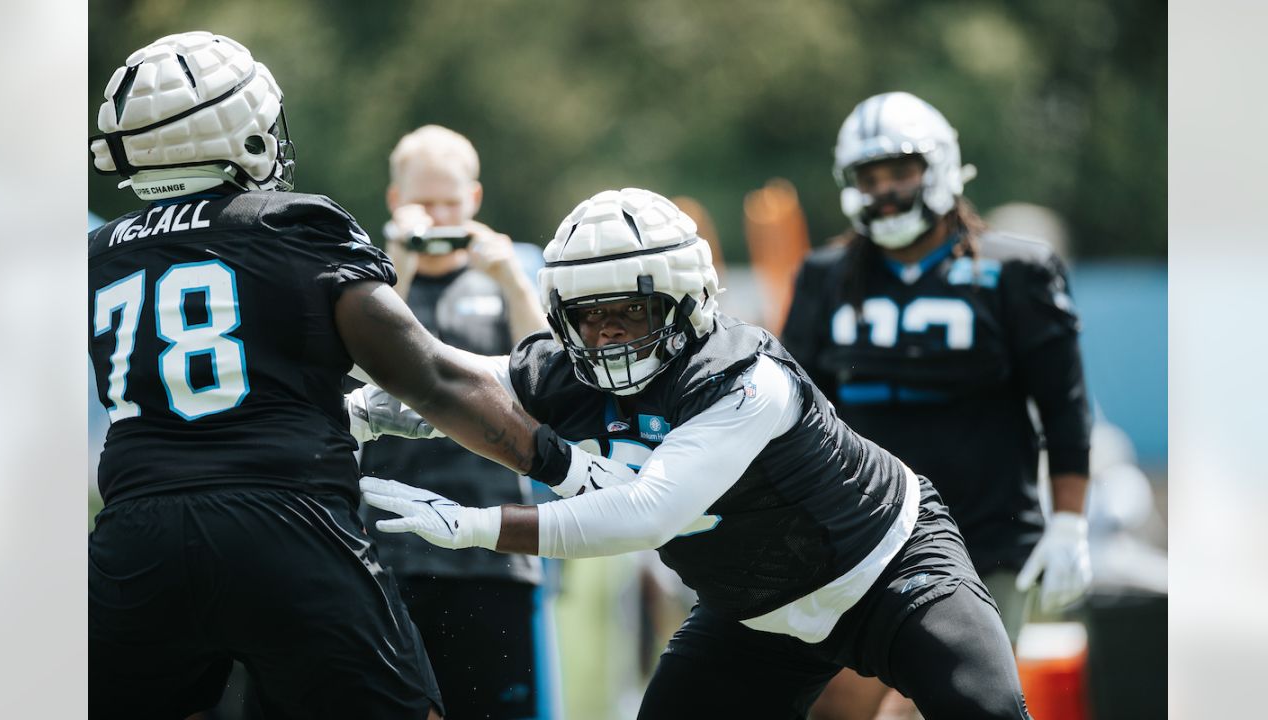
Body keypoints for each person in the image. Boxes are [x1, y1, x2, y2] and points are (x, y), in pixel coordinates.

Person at [87, 32, 629, 720]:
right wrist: (566, 468)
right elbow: (433, 379)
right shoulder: (293, 226)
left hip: (138, 537)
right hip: (284, 525)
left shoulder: (95, 255)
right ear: (240, 131)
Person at [358, 187, 1034, 719]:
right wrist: (354, 415)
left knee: (987, 711)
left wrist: (478, 526)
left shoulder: (743, 378)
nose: (609, 334)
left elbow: (646, 515)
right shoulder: (564, 371)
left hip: (886, 567)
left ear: (685, 301)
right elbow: (453, 383)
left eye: (630, 310)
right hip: (754, 608)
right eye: (589, 315)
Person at [778, 92, 1093, 719]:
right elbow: (791, 412)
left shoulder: (1017, 270)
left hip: (987, 534)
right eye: (871, 178)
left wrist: (1070, 522)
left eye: (901, 172)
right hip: (858, 533)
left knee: (947, 705)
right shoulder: (827, 276)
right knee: (837, 708)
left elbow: (1064, 405)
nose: (886, 191)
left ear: (941, 168)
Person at [356, 124, 556, 720]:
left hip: (494, 543)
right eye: (425, 203)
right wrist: (395, 267)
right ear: (396, 203)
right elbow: (353, 377)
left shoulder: (506, 281)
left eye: (452, 202)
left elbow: (550, 383)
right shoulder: (369, 282)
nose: (440, 217)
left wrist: (514, 282)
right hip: (389, 547)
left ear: (475, 199)